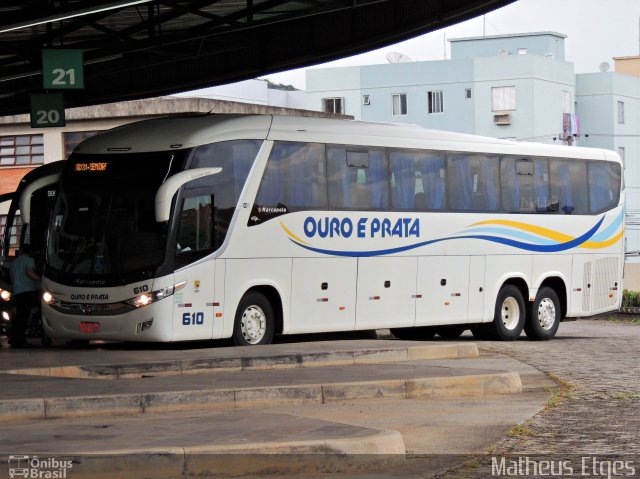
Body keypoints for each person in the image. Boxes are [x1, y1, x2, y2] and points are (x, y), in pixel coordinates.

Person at [9, 244, 40, 348]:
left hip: (17, 292)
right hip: (27, 291)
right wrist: (40, 280)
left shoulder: (13, 263)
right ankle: (20, 340)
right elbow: (29, 272)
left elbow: (12, 279)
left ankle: (15, 338)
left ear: (21, 251)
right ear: (30, 252)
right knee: (24, 316)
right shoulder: (29, 260)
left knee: (19, 316)